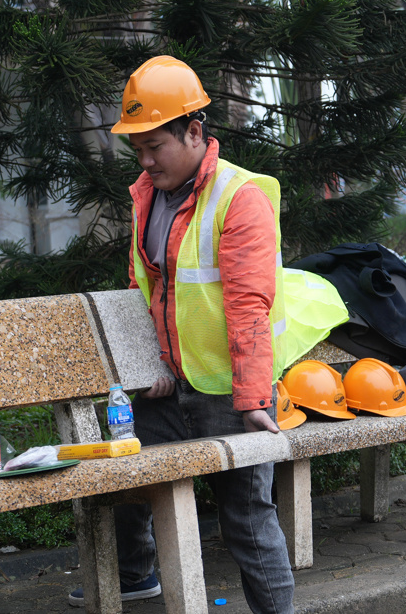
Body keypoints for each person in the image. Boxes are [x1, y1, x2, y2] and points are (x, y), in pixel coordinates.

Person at [68, 56, 295, 613]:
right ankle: (133, 574)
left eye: (155, 147)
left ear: (195, 132)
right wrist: (154, 369)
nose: (145, 162)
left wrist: (252, 401)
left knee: (246, 517)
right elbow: (144, 290)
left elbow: (248, 307)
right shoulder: (148, 195)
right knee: (125, 479)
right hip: (172, 384)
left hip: (227, 390)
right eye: (137, 149)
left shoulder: (240, 198)